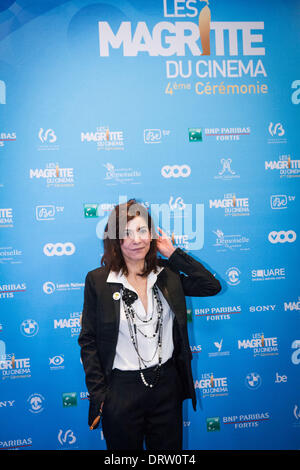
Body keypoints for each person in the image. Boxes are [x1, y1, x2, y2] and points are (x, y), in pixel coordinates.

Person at [78, 199, 221, 450]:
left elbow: (211, 286)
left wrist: (173, 254)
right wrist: (100, 394)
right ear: (115, 240)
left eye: (142, 231)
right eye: (127, 233)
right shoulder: (98, 281)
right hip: (120, 391)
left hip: (166, 387)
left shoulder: (168, 274)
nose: (137, 240)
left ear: (152, 234)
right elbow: (88, 340)